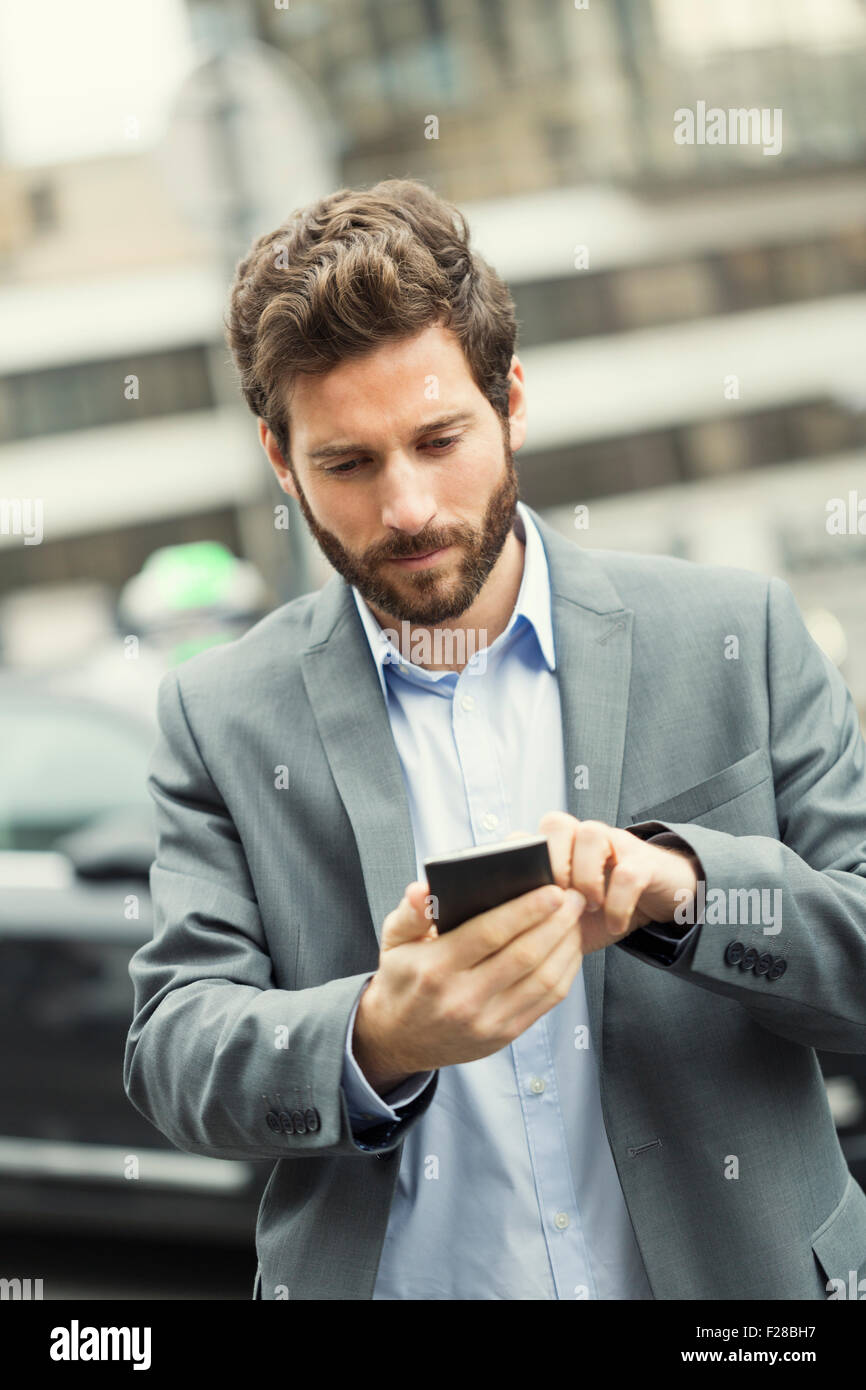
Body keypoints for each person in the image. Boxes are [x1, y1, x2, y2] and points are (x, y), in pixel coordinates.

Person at [124, 178, 866, 1300]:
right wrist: (376, 1033)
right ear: (281, 463)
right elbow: (174, 1054)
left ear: (509, 399)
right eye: (348, 464)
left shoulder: (733, 633)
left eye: (438, 438)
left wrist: (688, 891)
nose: (408, 507)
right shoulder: (218, 714)